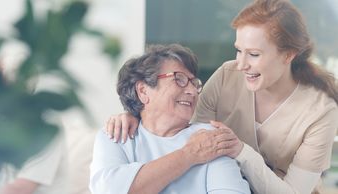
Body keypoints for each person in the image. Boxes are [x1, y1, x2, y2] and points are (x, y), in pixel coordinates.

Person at [105, 0, 338, 193]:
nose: (241, 64)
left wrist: (241, 151)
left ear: (288, 55)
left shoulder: (321, 111)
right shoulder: (228, 75)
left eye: (254, 54)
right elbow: (185, 130)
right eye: (239, 50)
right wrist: (138, 114)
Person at [89, 44, 250, 194]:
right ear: (143, 91)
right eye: (179, 79)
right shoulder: (116, 135)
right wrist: (189, 154)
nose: (192, 91)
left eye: (194, 83)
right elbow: (109, 190)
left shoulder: (210, 138)